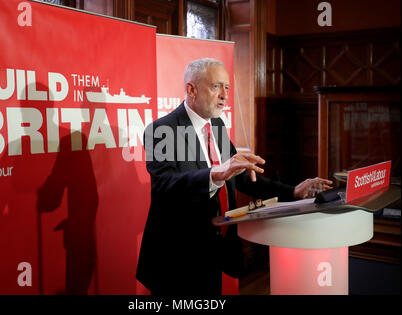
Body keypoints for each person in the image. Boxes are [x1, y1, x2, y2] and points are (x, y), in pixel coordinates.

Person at [136, 58, 332, 295]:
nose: (224, 95)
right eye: (216, 86)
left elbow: (239, 178)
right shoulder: (162, 130)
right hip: (176, 256)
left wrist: (292, 191)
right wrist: (216, 172)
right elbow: (165, 185)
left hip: (213, 250)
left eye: (227, 87)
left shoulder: (216, 125)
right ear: (191, 89)